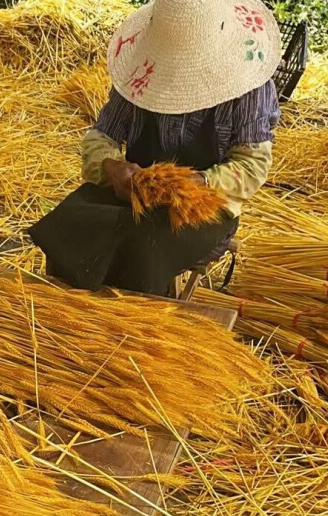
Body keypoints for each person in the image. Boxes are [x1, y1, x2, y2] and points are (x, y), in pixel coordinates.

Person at [29, 0, 282, 296]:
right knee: (71, 220)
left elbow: (252, 167)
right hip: (133, 192)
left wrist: (196, 183)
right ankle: (64, 306)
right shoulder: (140, 73)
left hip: (201, 208)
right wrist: (111, 167)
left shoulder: (247, 86)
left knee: (143, 243)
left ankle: (139, 324)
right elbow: (100, 137)